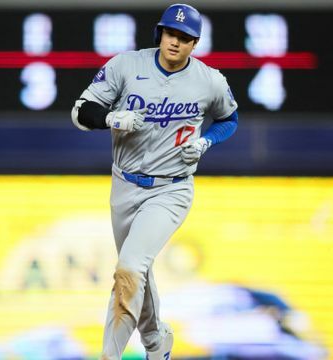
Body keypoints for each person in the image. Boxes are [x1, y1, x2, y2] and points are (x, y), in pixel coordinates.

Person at [70, 4, 239, 359]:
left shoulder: (209, 80)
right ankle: (156, 341)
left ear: (194, 44)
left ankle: (109, 355)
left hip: (171, 187)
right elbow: (81, 110)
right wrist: (112, 118)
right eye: (169, 33)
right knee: (137, 273)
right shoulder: (125, 66)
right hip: (124, 184)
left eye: (183, 37)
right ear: (159, 33)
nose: (174, 42)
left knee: (130, 267)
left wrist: (207, 141)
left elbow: (229, 119)